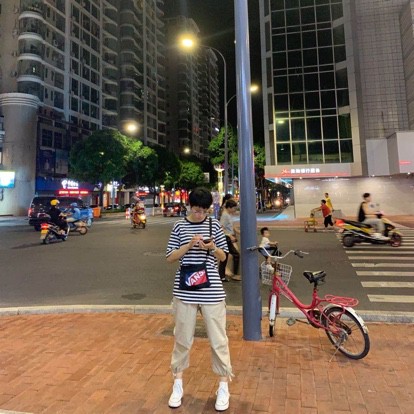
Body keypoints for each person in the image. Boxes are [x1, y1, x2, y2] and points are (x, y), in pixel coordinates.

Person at [166, 187, 233, 411]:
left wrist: (212, 247)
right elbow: (170, 257)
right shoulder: (179, 226)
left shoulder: (214, 225)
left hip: (211, 289)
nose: (200, 214)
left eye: (204, 211)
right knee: (182, 338)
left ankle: (223, 385)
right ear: (189, 206)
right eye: (196, 210)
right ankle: (177, 384)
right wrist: (188, 246)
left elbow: (224, 256)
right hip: (185, 290)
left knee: (218, 339)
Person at [219, 199, 241, 281]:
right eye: (234, 208)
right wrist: (229, 235)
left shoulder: (228, 214)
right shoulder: (225, 215)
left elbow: (231, 226)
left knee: (227, 255)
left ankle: (223, 274)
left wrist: (237, 231)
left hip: (228, 237)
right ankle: (233, 274)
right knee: (235, 254)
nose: (235, 210)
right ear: (229, 207)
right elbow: (221, 227)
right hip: (226, 238)